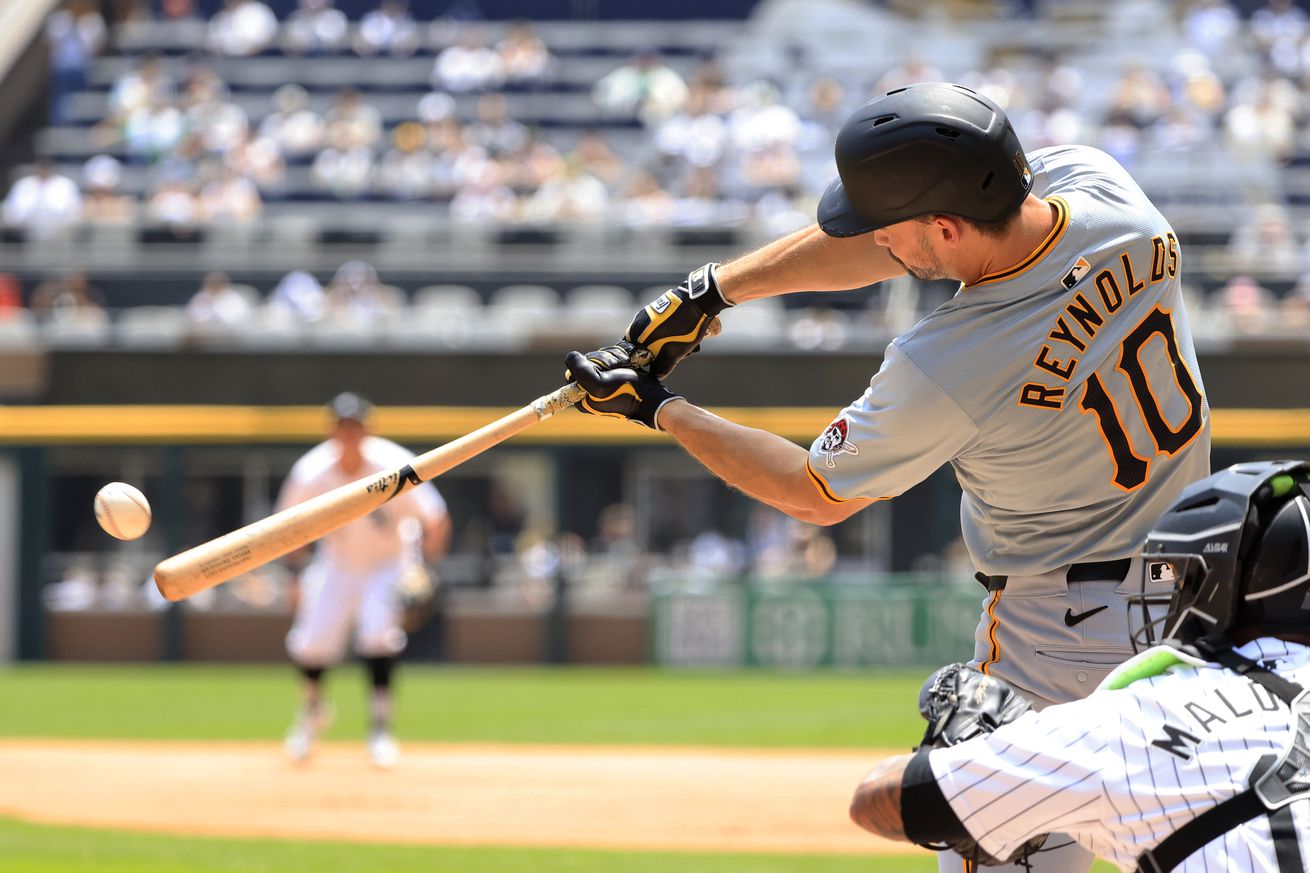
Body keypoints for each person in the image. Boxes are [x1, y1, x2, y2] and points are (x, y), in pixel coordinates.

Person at [565, 82, 1211, 873]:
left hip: (1057, 642)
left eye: (892, 230)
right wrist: (712, 291)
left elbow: (812, 490)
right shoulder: (1104, 186)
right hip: (1201, 609)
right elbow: (922, 234)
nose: (882, 246)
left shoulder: (945, 360)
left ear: (942, 225)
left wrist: (657, 407)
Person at [848, 459, 1310, 872]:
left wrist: (968, 754)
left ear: (1226, 589)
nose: (1171, 592)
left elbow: (880, 802)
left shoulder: (1140, 716)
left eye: (1181, 575)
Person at [278, 393, 451, 768]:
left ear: (367, 429)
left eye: (356, 426)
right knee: (309, 645)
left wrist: (426, 568)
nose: (350, 434)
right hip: (336, 563)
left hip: (387, 563)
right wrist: (293, 576)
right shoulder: (311, 471)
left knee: (378, 637)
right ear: (332, 431)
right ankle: (310, 717)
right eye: (343, 427)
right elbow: (285, 529)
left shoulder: (393, 463)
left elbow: (436, 518)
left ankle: (380, 730)